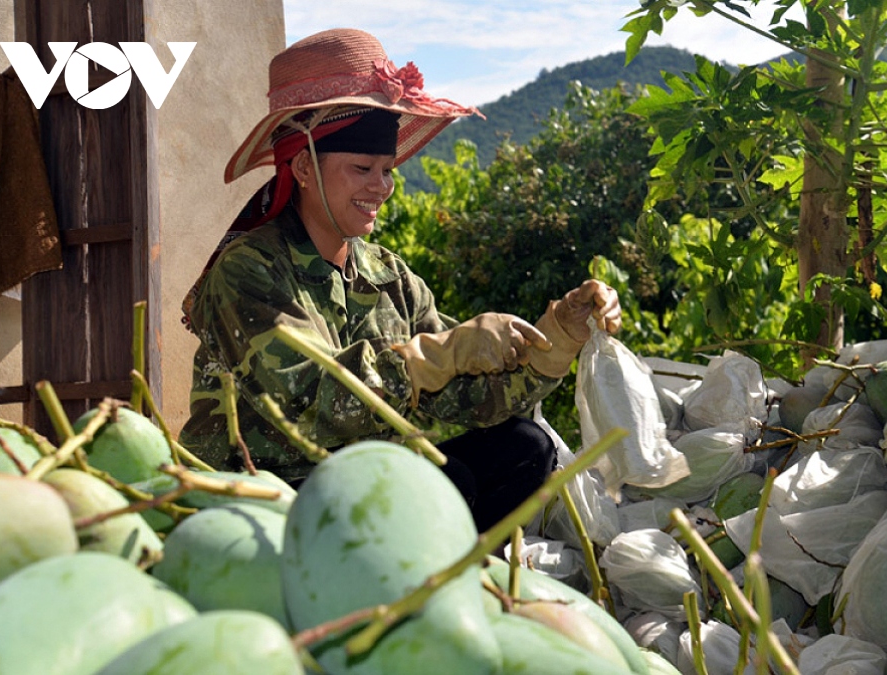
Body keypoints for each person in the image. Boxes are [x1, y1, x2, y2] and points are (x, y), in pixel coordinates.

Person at [179, 28, 621, 531]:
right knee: (442, 484)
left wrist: (557, 337)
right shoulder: (249, 271)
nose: (382, 187)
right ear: (303, 167)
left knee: (524, 448)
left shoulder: (389, 277)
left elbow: (469, 398)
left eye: (388, 170)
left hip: (364, 483)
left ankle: (427, 575)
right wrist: (435, 356)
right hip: (266, 492)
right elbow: (310, 407)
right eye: (363, 167)